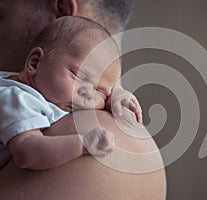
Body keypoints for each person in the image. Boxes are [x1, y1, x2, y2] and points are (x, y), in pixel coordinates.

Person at [0, 0, 166, 199]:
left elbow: (28, 152)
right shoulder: (27, 97)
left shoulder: (89, 125)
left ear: (63, 10)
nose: (89, 98)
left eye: (1, 16)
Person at [0, 16, 142, 170]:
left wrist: (116, 94)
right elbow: (27, 153)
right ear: (35, 62)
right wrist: (83, 144)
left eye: (101, 92)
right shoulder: (18, 99)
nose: (89, 94)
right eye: (79, 76)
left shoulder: (22, 83)